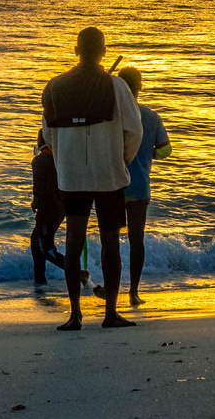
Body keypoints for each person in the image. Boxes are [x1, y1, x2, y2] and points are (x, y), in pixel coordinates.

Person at [41, 26, 143, 330]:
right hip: (108, 173)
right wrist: (121, 159)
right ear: (103, 52)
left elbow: (48, 134)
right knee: (110, 241)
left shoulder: (54, 86)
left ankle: (75, 315)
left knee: (73, 242)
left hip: (71, 176)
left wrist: (65, 162)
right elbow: (134, 131)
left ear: (75, 50)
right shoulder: (117, 87)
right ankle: (110, 313)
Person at [115, 66, 171, 308]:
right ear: (140, 87)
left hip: (114, 186)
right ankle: (134, 291)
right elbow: (166, 150)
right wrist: (149, 154)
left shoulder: (112, 115)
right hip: (139, 186)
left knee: (111, 240)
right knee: (136, 240)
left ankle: (111, 289)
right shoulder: (151, 116)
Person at [30, 131, 76, 286]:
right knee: (36, 242)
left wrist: (35, 200)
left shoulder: (39, 160)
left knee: (46, 249)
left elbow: (39, 183)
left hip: (46, 210)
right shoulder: (61, 161)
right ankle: (40, 280)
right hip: (59, 209)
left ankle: (77, 273)